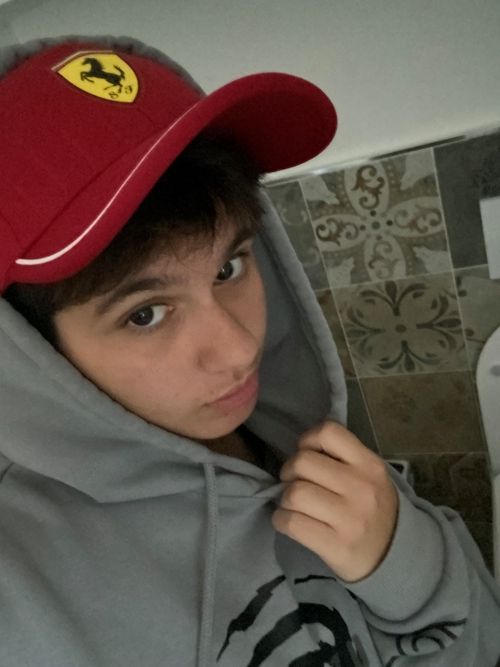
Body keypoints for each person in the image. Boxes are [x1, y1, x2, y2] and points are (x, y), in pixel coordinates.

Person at [0, 34, 499, 667]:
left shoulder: (290, 428)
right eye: (145, 314)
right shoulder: (24, 588)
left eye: (229, 267)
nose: (239, 350)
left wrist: (412, 568)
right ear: (32, 352)